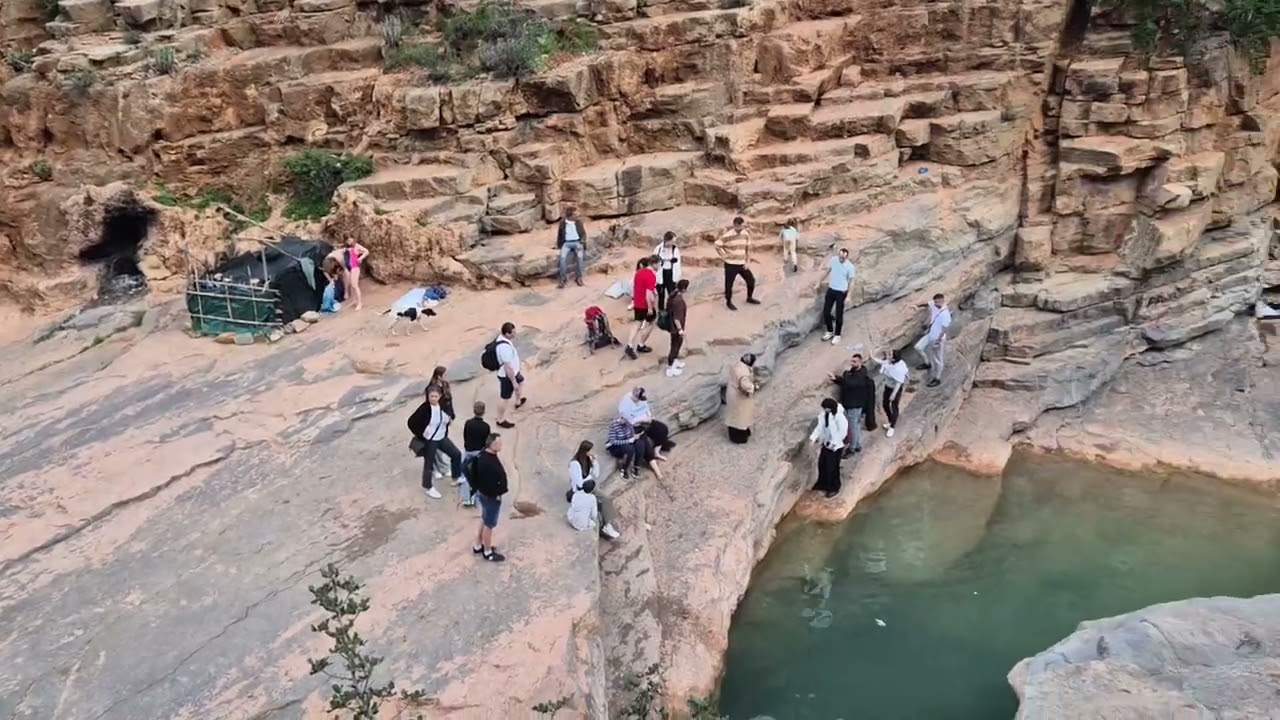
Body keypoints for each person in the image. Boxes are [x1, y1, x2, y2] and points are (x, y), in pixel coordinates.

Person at [407, 387, 462, 500]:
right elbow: (411, 422)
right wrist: (421, 434)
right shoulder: (425, 408)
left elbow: (449, 416)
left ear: (440, 396)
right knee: (429, 464)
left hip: (441, 437)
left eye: (435, 396)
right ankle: (428, 487)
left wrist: (449, 420)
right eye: (431, 396)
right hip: (430, 440)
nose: (433, 398)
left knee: (456, 454)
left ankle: (455, 478)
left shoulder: (443, 406)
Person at [467, 433, 508, 562]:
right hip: (491, 497)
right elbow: (490, 484)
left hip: (483, 494)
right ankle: (487, 551)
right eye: (499, 443)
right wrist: (497, 495)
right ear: (492, 444)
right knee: (489, 524)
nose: (501, 445)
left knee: (485, 520)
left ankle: (478, 545)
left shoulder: (483, 455)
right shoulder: (488, 463)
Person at [829, 353, 877, 456]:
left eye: (854, 361)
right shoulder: (856, 372)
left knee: (852, 427)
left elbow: (850, 383)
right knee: (856, 426)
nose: (852, 363)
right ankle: (857, 445)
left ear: (860, 362)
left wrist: (846, 373)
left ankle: (852, 448)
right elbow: (846, 382)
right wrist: (836, 378)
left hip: (854, 405)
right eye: (852, 361)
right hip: (854, 404)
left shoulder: (860, 375)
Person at [714, 216, 759, 310]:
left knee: (751, 280)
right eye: (740, 226)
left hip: (742, 263)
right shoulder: (727, 235)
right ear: (735, 225)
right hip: (731, 263)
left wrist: (747, 261)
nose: (742, 228)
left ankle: (749, 297)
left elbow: (748, 248)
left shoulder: (745, 234)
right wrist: (723, 255)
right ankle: (728, 302)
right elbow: (717, 245)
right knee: (729, 284)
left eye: (743, 226)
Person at [808, 398, 849, 498]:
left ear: (830, 408)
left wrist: (834, 443)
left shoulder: (839, 417)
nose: (824, 409)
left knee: (832, 467)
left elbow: (842, 432)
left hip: (836, 446)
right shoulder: (824, 415)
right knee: (822, 464)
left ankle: (834, 487)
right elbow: (820, 427)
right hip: (826, 443)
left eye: (825, 408)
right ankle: (822, 484)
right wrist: (813, 438)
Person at [818, 248, 856, 345]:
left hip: (841, 292)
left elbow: (852, 282)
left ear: (847, 257)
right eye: (840, 256)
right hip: (831, 289)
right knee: (826, 312)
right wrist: (819, 282)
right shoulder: (834, 260)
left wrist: (849, 296)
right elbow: (827, 271)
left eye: (843, 257)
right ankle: (830, 331)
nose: (841, 259)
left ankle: (837, 335)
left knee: (839, 314)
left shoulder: (850, 267)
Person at [619, 386, 675, 452]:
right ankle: (655, 448)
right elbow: (630, 421)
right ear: (634, 396)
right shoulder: (625, 405)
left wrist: (649, 416)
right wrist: (642, 420)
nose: (640, 400)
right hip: (636, 425)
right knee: (646, 443)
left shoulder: (641, 399)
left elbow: (646, 407)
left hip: (646, 420)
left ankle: (661, 444)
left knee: (663, 428)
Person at [915, 293, 952, 388]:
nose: (935, 304)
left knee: (938, 359)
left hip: (938, 338)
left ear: (942, 301)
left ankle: (937, 378)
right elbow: (927, 303)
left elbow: (944, 329)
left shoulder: (945, 314)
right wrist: (916, 305)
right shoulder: (934, 305)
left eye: (937, 302)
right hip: (930, 334)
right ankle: (927, 363)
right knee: (918, 347)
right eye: (935, 302)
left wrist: (938, 341)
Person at [625, 257, 659, 360]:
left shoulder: (639, 272)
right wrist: (650, 308)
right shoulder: (651, 275)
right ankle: (641, 344)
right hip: (645, 304)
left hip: (637, 303)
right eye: (659, 264)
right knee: (651, 322)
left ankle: (629, 345)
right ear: (654, 264)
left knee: (637, 323)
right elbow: (648, 294)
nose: (659, 266)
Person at [493, 322, 525, 429]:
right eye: (513, 333)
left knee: (521, 382)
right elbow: (508, 367)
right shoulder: (504, 348)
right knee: (504, 398)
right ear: (507, 334)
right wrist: (513, 382)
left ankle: (518, 401)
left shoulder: (502, 339)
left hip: (514, 372)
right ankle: (500, 419)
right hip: (507, 376)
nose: (515, 334)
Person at [459, 401, 490, 508]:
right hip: (479, 453)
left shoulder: (468, 423)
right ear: (484, 412)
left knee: (466, 475)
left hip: (469, 451)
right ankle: (477, 495)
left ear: (473, 410)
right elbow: (487, 441)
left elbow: (465, 436)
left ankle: (467, 498)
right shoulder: (486, 426)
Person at [872, 349, 909, 438]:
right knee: (885, 404)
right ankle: (890, 420)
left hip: (895, 388)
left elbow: (899, 382)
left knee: (894, 406)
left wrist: (893, 394)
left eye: (890, 354)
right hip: (888, 386)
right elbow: (882, 362)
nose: (888, 355)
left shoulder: (898, 369)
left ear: (893, 358)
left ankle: (892, 427)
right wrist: (872, 356)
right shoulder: (890, 362)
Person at [724, 353, 758, 444]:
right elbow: (745, 385)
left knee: (735, 415)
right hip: (739, 397)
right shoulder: (743, 372)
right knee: (740, 417)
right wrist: (754, 386)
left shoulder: (738, 365)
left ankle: (741, 433)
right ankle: (739, 437)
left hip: (733, 393)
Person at [556, 206, 587, 288]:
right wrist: (559, 245)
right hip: (566, 243)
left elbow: (583, 234)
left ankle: (579, 277)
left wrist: (582, 243)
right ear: (570, 216)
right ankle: (563, 279)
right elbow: (560, 234)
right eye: (575, 214)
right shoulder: (562, 223)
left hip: (577, 242)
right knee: (562, 258)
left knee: (580, 257)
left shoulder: (578, 222)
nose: (577, 215)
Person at [664, 279, 689, 378]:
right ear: (684, 289)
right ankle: (670, 367)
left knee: (677, 344)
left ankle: (674, 361)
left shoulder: (674, 294)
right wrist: (680, 330)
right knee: (675, 345)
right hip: (675, 328)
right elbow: (676, 318)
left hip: (673, 325)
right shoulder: (679, 301)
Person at [605, 415, 642, 479]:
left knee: (640, 444)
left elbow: (631, 434)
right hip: (616, 446)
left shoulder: (629, 424)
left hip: (627, 442)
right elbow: (612, 441)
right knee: (630, 449)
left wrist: (634, 437)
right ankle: (624, 469)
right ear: (622, 418)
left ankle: (636, 466)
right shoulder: (614, 425)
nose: (627, 423)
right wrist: (628, 441)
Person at [653, 232, 682, 311]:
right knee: (661, 294)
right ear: (667, 240)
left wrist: (677, 275)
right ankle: (661, 311)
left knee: (672, 293)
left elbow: (678, 262)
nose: (673, 243)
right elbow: (654, 260)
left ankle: (671, 310)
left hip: (671, 273)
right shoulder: (658, 249)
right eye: (672, 241)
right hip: (661, 273)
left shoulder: (675, 249)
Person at [340, 239, 369, 310]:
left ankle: (360, 303)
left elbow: (366, 251)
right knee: (351, 285)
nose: (349, 242)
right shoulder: (349, 248)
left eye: (350, 241)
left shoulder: (357, 246)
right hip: (350, 268)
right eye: (348, 241)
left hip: (355, 268)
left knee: (355, 285)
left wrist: (360, 258)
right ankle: (354, 300)